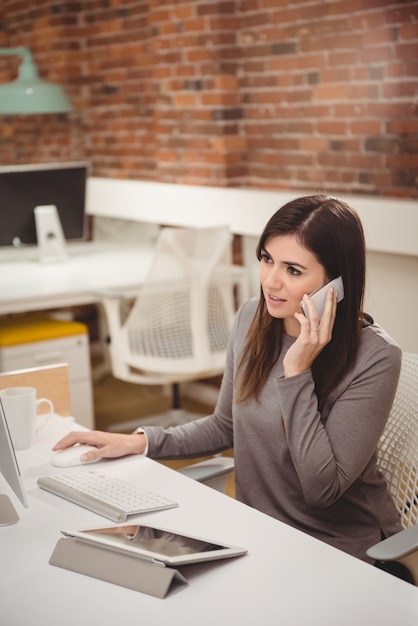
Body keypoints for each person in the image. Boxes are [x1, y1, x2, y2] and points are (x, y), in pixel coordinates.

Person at [54, 194, 404, 566]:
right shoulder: (253, 318)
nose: (271, 281)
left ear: (335, 284)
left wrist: (297, 370)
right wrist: (140, 442)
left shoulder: (376, 357)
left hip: (341, 551)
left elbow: (322, 490)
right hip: (258, 534)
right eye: (267, 259)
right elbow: (226, 425)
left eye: (293, 270)